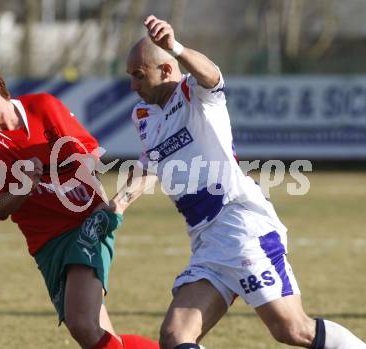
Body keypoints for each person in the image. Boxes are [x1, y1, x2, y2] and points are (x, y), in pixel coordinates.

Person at [102, 15, 366, 349]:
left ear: (166, 70)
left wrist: (176, 48)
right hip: (206, 240)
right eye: (130, 77)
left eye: (139, 76)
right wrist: (119, 203)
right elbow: (150, 163)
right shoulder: (143, 116)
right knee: (175, 336)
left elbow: (213, 76)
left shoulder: (196, 94)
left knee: (293, 329)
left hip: (239, 224)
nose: (133, 86)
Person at [0, 54, 159, 349]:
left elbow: (91, 156)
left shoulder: (43, 107)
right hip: (45, 244)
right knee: (94, 334)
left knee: (82, 323)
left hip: (88, 222)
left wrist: (57, 164)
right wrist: (23, 186)